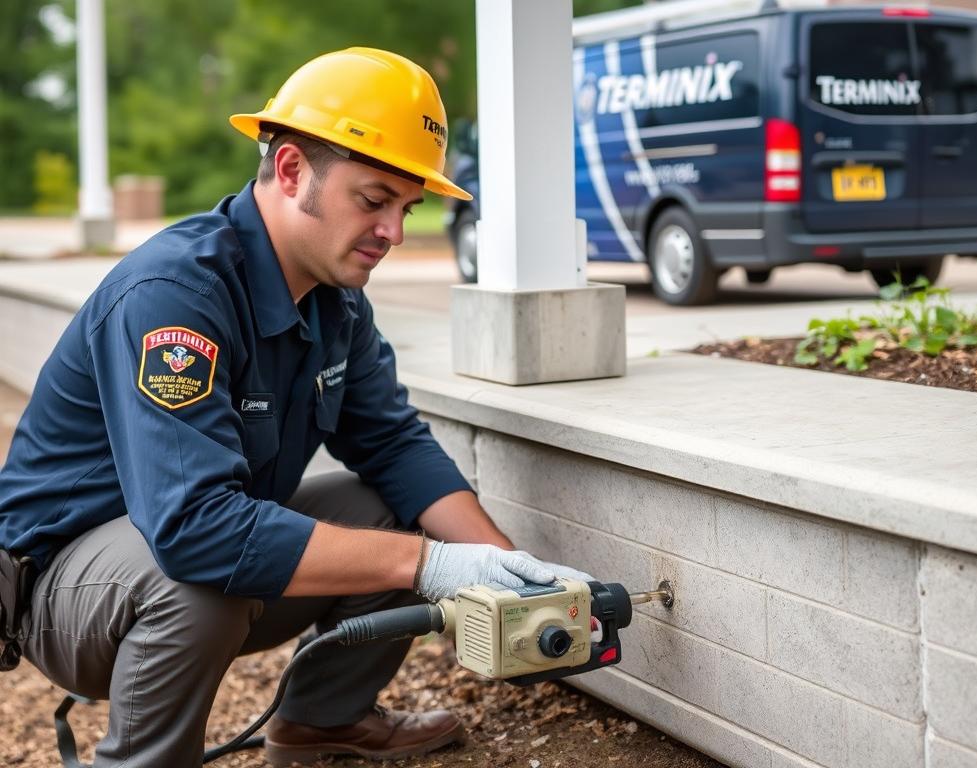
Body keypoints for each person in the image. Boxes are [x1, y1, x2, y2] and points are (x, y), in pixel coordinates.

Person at [0, 48, 590, 768]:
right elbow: (193, 530)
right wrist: (429, 566)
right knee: (199, 573)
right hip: (70, 593)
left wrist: (507, 568)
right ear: (289, 172)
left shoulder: (337, 302)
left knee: (391, 504)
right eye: (374, 201)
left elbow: (396, 447)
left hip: (190, 560)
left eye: (407, 209)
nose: (394, 234)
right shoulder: (176, 297)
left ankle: (323, 723)